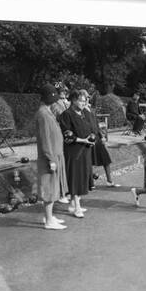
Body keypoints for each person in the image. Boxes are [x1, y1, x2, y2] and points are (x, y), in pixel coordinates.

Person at [34, 84, 69, 230]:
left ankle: (49, 216)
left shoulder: (47, 112)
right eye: (53, 99)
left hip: (56, 154)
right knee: (49, 188)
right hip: (50, 156)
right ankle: (48, 220)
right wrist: (51, 159)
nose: (55, 102)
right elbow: (45, 139)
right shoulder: (43, 114)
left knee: (54, 187)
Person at [59, 90, 94, 218]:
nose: (83, 103)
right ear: (73, 100)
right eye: (80, 100)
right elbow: (66, 134)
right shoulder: (66, 114)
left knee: (82, 176)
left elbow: (92, 128)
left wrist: (91, 138)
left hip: (85, 150)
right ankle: (77, 207)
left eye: (85, 100)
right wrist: (81, 140)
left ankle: (73, 204)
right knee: (75, 177)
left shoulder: (85, 113)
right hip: (73, 151)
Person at [80, 89, 120, 188]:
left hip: (97, 138)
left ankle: (109, 181)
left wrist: (102, 136)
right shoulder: (81, 111)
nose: (87, 99)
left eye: (88, 97)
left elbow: (97, 125)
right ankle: (90, 183)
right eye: (85, 98)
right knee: (89, 162)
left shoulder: (91, 110)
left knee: (106, 159)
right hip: (89, 139)